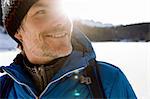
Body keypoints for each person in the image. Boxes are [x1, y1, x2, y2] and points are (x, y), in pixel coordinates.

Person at [0, 0, 137, 98]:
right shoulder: (3, 89)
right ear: (17, 31)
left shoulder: (108, 80)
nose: (60, 20)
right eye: (42, 12)